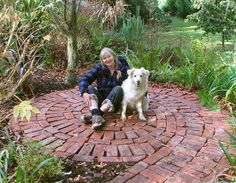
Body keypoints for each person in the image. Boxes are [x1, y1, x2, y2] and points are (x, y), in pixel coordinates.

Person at [79, 48, 130, 130]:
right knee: (89, 87)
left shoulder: (122, 67)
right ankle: (97, 116)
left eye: (109, 56)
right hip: (101, 100)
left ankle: (95, 115)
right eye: (104, 58)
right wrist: (84, 92)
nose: (107, 60)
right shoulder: (100, 68)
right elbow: (84, 78)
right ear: (102, 60)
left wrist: (142, 95)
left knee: (119, 88)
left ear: (113, 56)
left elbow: (133, 80)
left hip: (115, 101)